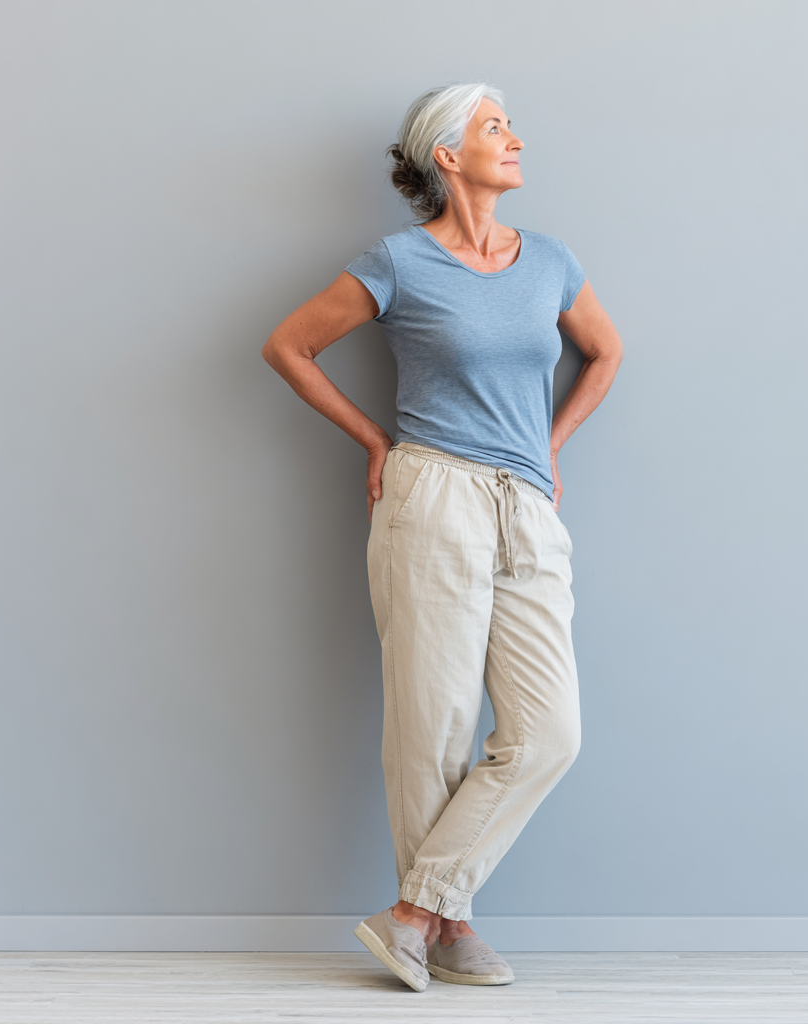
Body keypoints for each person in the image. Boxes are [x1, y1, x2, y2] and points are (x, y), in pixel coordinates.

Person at [262, 83, 622, 990]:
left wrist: (545, 447)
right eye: (495, 127)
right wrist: (376, 440)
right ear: (447, 156)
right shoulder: (398, 263)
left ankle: (415, 910)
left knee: (549, 732)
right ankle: (450, 930)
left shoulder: (550, 262)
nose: (516, 138)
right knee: (434, 730)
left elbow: (606, 353)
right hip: (432, 495)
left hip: (527, 507)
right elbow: (289, 346)